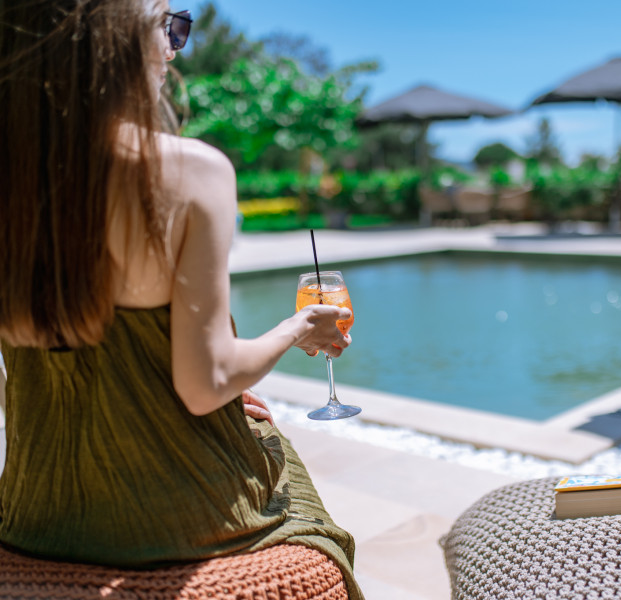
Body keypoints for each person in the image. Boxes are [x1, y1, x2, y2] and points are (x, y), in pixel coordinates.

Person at [0, 1, 363, 597]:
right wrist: (299, 327)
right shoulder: (190, 172)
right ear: (113, 37)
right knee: (281, 459)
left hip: (34, 510)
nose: (175, 47)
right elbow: (205, 384)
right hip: (186, 520)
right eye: (168, 24)